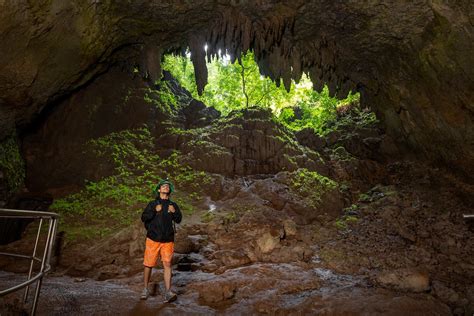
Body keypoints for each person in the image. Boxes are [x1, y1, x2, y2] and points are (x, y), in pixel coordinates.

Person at [140, 178, 182, 302]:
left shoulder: (173, 205)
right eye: (163, 186)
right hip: (153, 238)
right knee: (148, 264)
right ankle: (145, 289)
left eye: (167, 187)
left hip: (168, 239)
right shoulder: (153, 204)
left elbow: (178, 219)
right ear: (159, 190)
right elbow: (144, 217)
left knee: (167, 264)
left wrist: (174, 212)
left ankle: (168, 292)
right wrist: (154, 210)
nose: (166, 187)